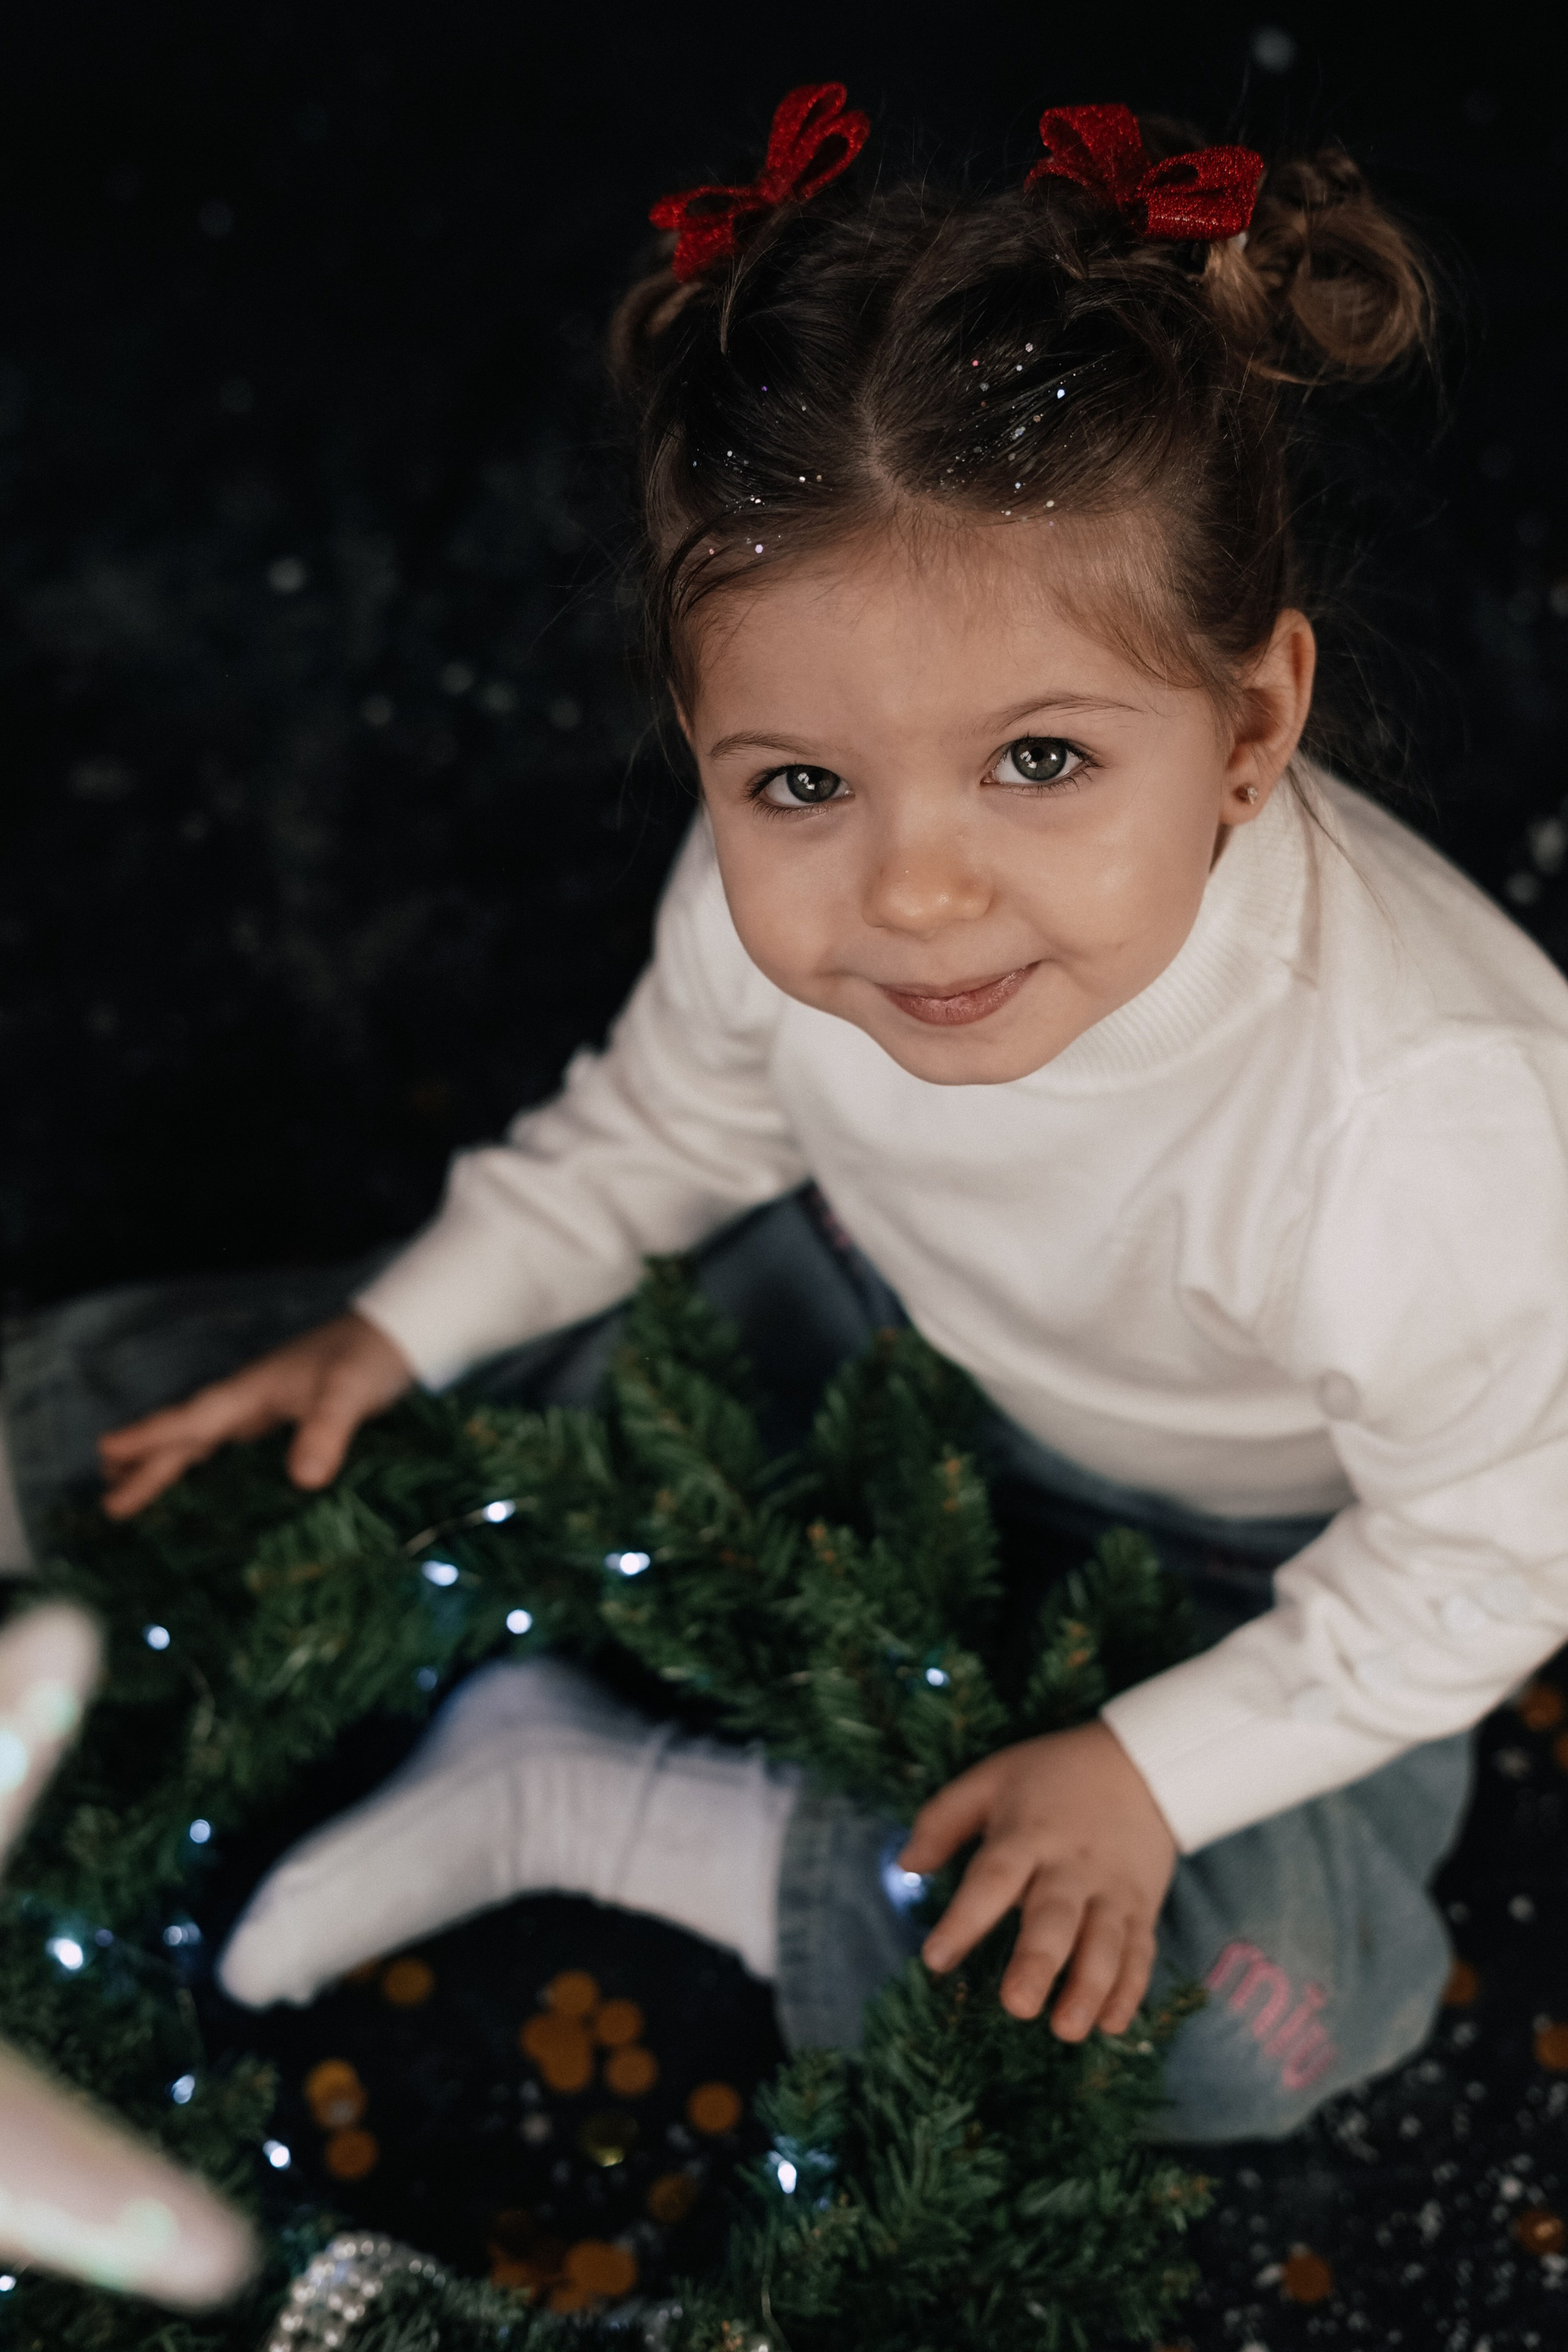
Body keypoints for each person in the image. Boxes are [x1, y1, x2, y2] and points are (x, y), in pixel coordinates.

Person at [67, 88, 1568, 2143]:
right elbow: (660, 1132)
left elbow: (1494, 1551)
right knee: (302, 1413)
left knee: (1251, 2015)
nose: (914, 894)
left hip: (1266, 1548)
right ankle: (86, 1469)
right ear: (708, 741)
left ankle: (598, 1799)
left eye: (1040, 761)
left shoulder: (1435, 1132)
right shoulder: (797, 912)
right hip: (864, 1315)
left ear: (1249, 725)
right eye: (799, 784)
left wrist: (1150, 1774)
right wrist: (407, 1323)